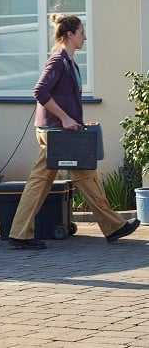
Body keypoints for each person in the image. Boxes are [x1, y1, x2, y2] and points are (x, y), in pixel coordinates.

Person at [8, 14, 140, 250]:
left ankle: (112, 226)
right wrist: (65, 118)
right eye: (81, 32)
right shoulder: (58, 60)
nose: (85, 37)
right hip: (55, 133)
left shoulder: (69, 62)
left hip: (63, 133)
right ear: (70, 34)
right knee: (62, 180)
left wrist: (74, 120)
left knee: (77, 178)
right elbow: (40, 91)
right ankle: (20, 234)